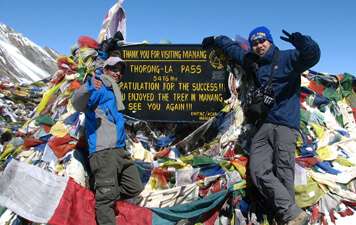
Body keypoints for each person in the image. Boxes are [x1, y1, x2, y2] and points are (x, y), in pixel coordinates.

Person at [202, 26, 320, 225]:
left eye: (262, 41)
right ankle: (292, 213)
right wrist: (216, 38)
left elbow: (312, 56)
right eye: (255, 43)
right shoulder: (253, 62)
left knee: (283, 171)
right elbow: (234, 50)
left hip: (286, 124)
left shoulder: (288, 58)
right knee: (257, 170)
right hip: (264, 124)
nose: (259, 45)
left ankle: (286, 217)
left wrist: (302, 41)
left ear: (270, 41)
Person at [71, 56, 144, 225]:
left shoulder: (114, 90)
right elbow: (76, 103)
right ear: (105, 70)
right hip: (103, 151)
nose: (117, 73)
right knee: (106, 199)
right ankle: (103, 201)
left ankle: (100, 196)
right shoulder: (99, 86)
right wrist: (88, 87)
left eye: (120, 70)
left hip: (119, 150)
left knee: (135, 186)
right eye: (113, 69)